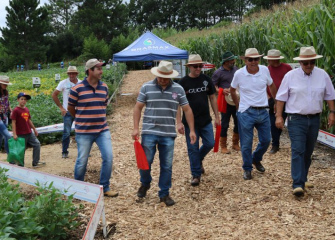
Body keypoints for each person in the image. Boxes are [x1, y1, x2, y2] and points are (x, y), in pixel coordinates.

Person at [132, 60, 196, 206]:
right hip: (149, 131)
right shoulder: (147, 87)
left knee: (166, 165)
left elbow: (187, 109)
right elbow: (137, 108)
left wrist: (191, 130)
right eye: (160, 76)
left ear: (170, 76)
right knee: (145, 162)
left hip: (168, 133)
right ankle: (145, 182)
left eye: (165, 77)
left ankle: (164, 193)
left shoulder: (178, 89)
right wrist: (136, 128)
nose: (162, 80)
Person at [275, 46, 335, 197]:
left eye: (312, 62)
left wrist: (332, 112)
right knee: (298, 150)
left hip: (314, 119)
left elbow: (329, 95)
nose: (308, 65)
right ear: (300, 62)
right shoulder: (290, 76)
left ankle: (303, 177)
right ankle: (297, 184)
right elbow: (281, 98)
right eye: (305, 62)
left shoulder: (322, 75)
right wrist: (279, 116)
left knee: (308, 151)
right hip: (296, 119)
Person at [68, 59, 118, 197]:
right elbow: (70, 108)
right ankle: (79, 188)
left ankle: (105, 187)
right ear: (90, 70)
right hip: (84, 131)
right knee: (82, 160)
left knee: (108, 157)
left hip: (102, 129)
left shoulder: (104, 87)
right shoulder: (76, 89)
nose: (101, 71)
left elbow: (104, 104)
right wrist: (80, 118)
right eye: (98, 69)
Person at [230, 48, 277, 180]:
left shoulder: (264, 70)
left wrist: (276, 102)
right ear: (245, 60)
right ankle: (247, 168)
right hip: (246, 112)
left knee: (266, 140)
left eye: (256, 59)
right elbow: (232, 90)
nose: (253, 61)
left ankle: (256, 159)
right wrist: (238, 105)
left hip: (263, 110)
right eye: (250, 59)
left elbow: (272, 85)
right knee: (246, 143)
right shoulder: (239, 74)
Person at [178, 54, 220, 186]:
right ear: (189, 67)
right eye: (195, 66)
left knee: (210, 143)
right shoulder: (183, 83)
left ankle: (199, 158)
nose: (198, 68)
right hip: (191, 123)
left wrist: (217, 116)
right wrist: (178, 122)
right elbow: (177, 104)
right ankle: (196, 174)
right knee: (192, 148)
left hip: (205, 120)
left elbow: (212, 98)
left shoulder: (206, 79)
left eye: (200, 66)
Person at [263, 49, 292, 154]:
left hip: (286, 99)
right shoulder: (266, 69)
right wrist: (269, 98)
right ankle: (275, 144)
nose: (268, 61)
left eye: (270, 59)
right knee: (273, 122)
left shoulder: (287, 68)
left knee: (281, 119)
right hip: (271, 99)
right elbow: (263, 85)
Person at [212, 51, 240, 154]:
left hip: (236, 99)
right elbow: (213, 87)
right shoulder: (218, 73)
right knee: (224, 124)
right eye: (232, 60)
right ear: (226, 62)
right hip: (225, 101)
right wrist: (222, 90)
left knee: (238, 121)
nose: (233, 61)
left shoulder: (236, 70)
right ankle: (223, 146)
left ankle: (235, 143)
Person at [52, 66, 82, 158]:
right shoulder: (63, 83)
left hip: (79, 111)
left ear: (76, 74)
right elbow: (54, 95)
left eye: (73, 73)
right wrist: (61, 108)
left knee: (81, 132)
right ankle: (64, 151)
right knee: (67, 133)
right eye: (70, 73)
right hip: (68, 112)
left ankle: (83, 151)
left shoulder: (81, 83)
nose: (71, 75)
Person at [11, 93, 44, 167]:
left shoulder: (26, 109)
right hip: (20, 134)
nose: (23, 101)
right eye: (22, 99)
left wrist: (34, 129)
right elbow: (13, 122)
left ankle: (35, 162)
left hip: (29, 132)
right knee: (22, 150)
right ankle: (20, 165)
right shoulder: (16, 110)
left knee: (37, 144)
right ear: (18, 100)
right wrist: (14, 134)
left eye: (25, 99)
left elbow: (28, 120)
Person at [0, 76, 13, 154]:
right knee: (8, 135)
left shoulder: (5, 92)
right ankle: (10, 156)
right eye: (4, 84)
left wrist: (11, 110)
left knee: (1, 137)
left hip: (4, 116)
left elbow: (7, 102)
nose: (6, 85)